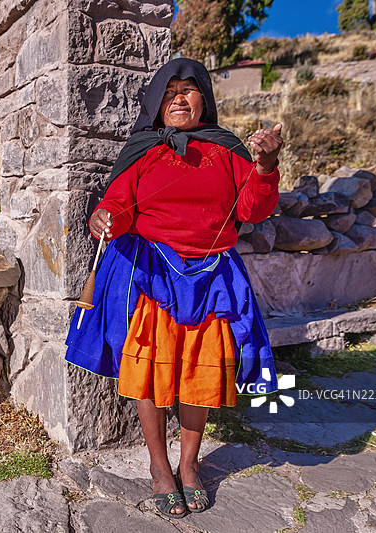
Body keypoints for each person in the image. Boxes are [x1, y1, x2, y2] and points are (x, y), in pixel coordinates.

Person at [64, 58, 283, 520]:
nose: (179, 98)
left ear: (204, 99)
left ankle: (188, 466)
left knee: (200, 373)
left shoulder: (227, 152)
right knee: (150, 369)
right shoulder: (142, 152)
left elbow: (254, 208)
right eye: (169, 92)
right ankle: (159, 464)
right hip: (153, 277)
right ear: (156, 104)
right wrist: (104, 218)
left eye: (188, 90)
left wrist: (265, 167)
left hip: (211, 279)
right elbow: (117, 206)